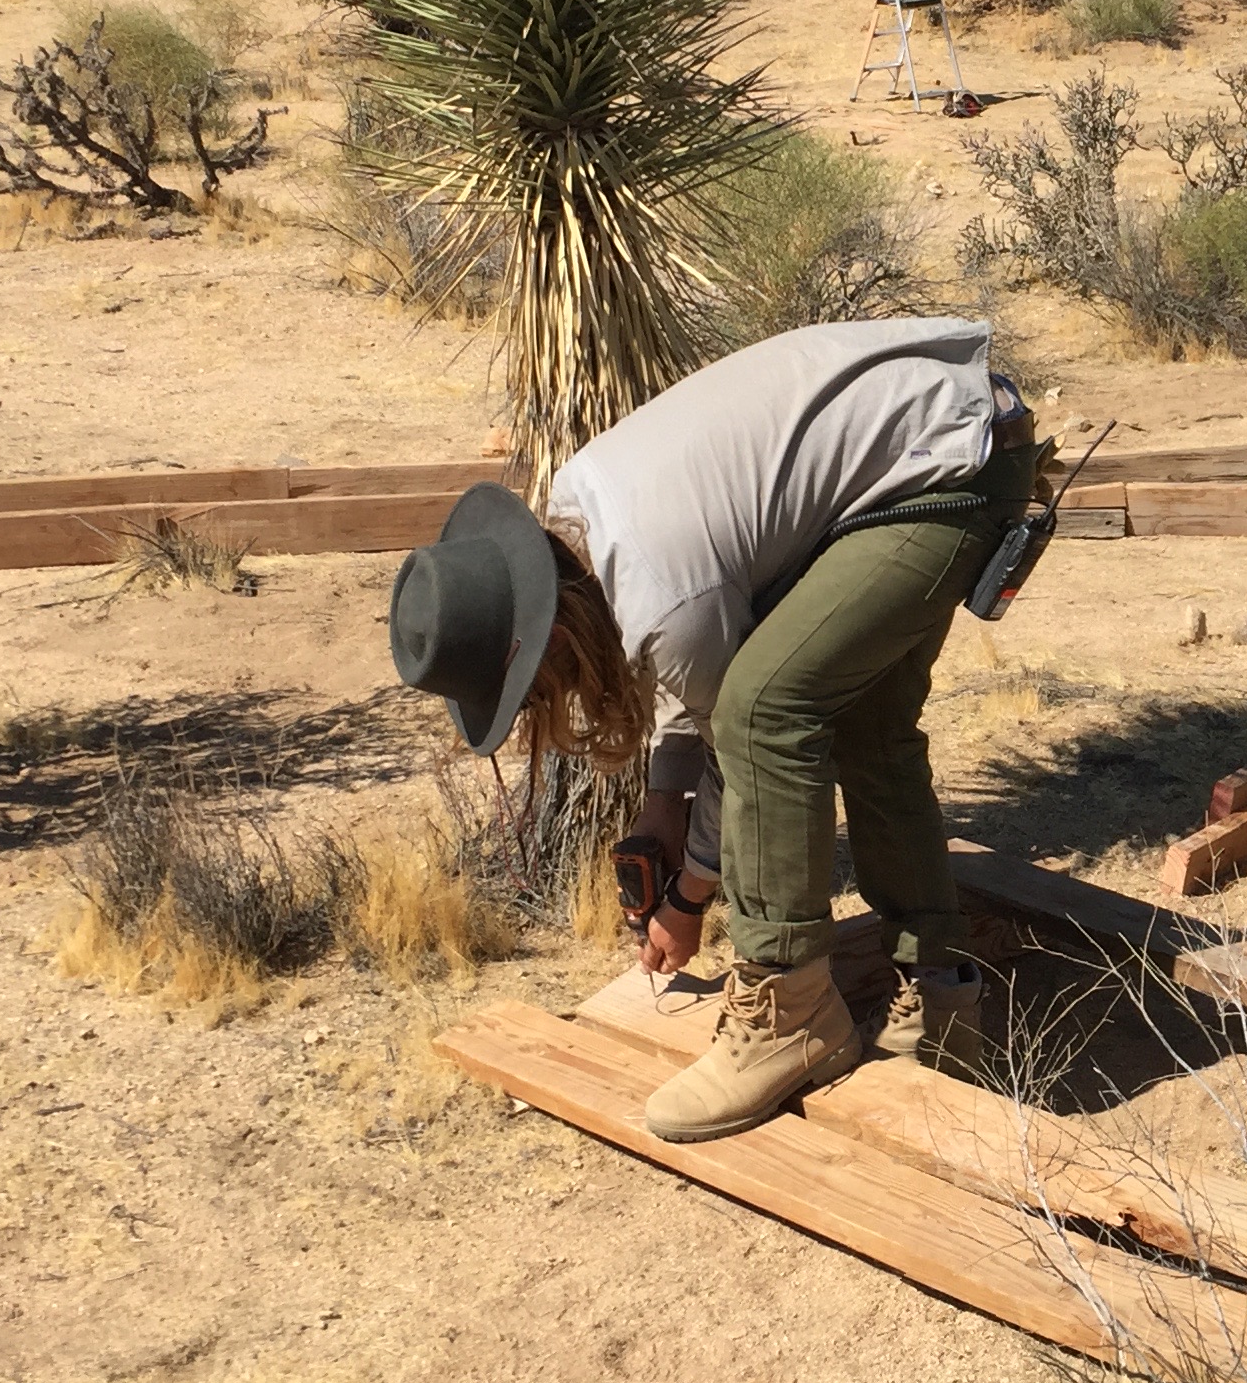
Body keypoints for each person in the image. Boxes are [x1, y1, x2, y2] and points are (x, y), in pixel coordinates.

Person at [385, 317, 1045, 1140]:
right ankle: (942, 1008)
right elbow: (677, 651)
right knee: (869, 725)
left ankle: (788, 1012)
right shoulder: (582, 524)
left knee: (769, 710)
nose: (543, 703)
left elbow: (731, 726)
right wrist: (664, 806)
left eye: (533, 687)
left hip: (946, 465)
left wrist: (689, 896)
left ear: (552, 639)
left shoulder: (658, 583)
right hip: (948, 432)